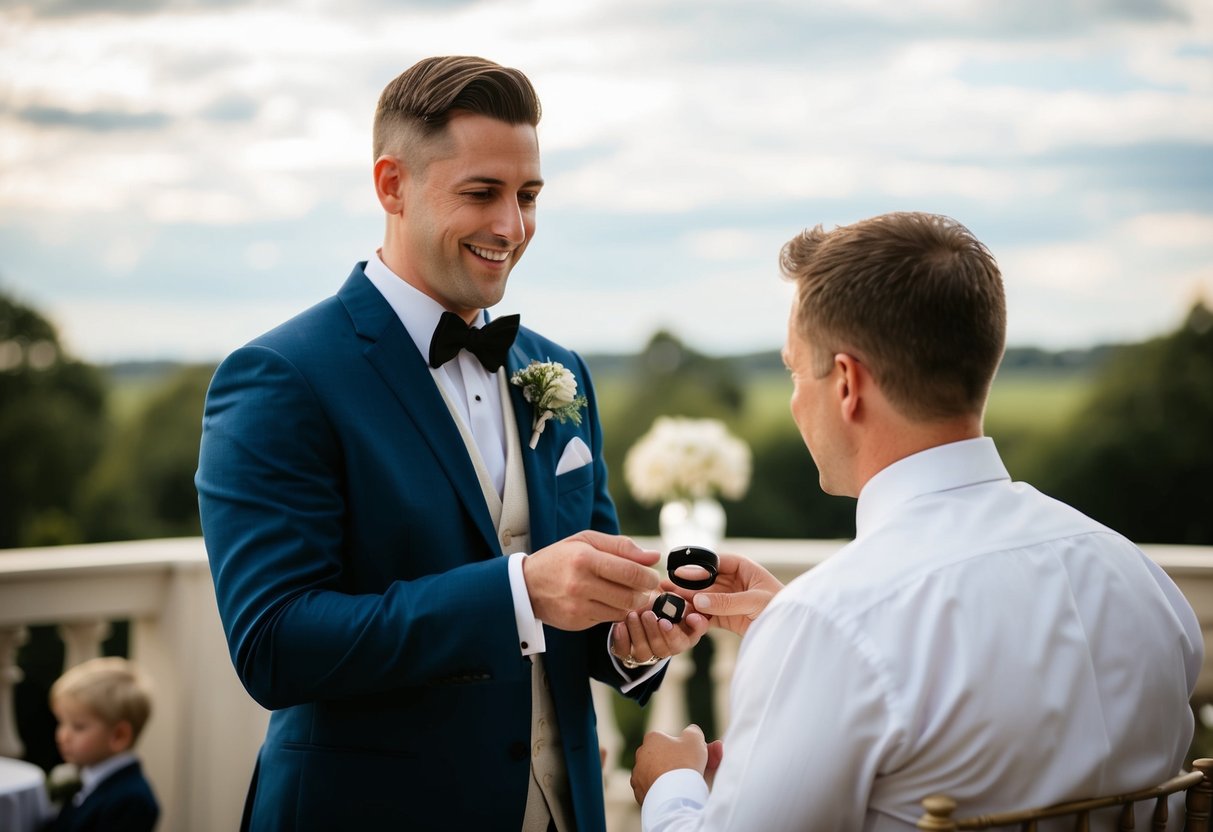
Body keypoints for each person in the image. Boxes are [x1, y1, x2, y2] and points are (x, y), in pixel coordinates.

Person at [195, 55, 707, 832]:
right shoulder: (279, 377)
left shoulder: (556, 369)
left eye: (528, 196)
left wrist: (633, 640)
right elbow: (276, 643)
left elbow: (577, 607)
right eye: (481, 193)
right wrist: (518, 593)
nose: (511, 226)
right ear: (391, 184)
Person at [629, 212, 1204, 831]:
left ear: (846, 383)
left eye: (797, 371)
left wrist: (672, 787)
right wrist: (798, 632)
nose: (796, 398)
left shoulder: (830, 624)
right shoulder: (1145, 583)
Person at [43, 657, 159, 832]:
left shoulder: (131, 801)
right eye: (61, 723)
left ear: (119, 736)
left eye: (78, 727)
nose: (62, 736)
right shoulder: (88, 779)